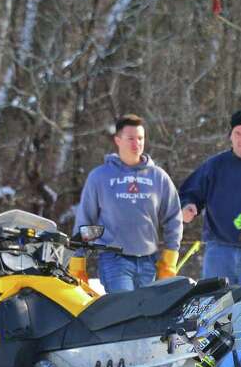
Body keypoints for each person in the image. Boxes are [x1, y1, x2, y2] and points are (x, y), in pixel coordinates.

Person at [71, 114, 183, 293]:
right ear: (118, 140)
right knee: (126, 312)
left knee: (147, 315)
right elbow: (85, 219)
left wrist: (169, 258)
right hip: (114, 260)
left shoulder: (158, 177)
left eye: (140, 138)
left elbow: (173, 217)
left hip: (148, 261)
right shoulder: (100, 176)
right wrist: (78, 261)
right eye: (130, 138)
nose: (136, 143)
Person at [179, 109, 241, 285]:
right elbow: (190, 193)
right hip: (219, 252)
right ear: (230, 137)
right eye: (238, 134)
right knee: (215, 307)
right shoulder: (215, 166)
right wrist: (188, 206)